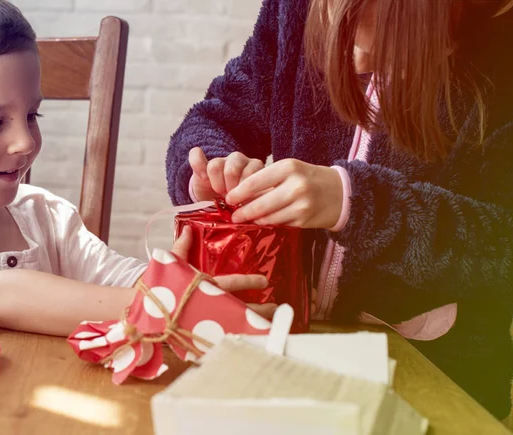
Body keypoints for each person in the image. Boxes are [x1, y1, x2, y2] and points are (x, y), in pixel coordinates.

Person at [166, 0, 513, 418]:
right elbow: (220, 115)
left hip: (439, 368)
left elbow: (502, 246)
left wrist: (357, 203)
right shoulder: (292, 8)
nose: (356, 60)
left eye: (380, 33)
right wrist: (209, 170)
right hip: (289, 345)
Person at [0, 0, 271, 338]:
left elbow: (119, 278)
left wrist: (179, 281)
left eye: (32, 116)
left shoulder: (47, 216)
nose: (25, 141)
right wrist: (162, 302)